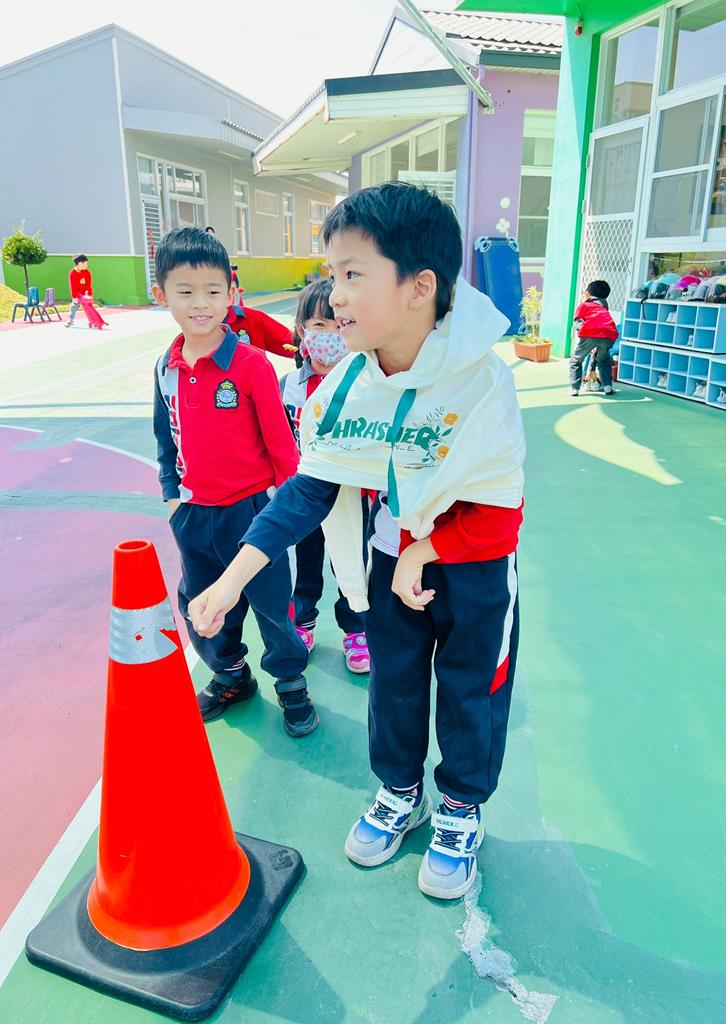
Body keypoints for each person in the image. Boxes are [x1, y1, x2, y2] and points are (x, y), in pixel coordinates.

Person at [188, 183, 525, 900]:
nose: (333, 297)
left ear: (419, 287)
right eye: (331, 274)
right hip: (388, 563)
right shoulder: (346, 387)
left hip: (474, 568)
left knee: (471, 691)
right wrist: (231, 580)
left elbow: (500, 512)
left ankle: (460, 807)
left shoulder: (482, 382)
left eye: (351, 275)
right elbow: (307, 491)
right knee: (393, 686)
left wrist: (425, 549)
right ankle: (399, 792)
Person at [151, 226, 317, 737]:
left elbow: (283, 449)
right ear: (161, 295)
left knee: (272, 606)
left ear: (231, 294)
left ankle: (290, 682)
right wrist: (173, 499)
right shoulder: (165, 368)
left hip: (253, 514)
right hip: (194, 515)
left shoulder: (250, 365)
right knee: (199, 604)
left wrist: (283, 514)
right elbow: (164, 438)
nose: (200, 304)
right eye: (185, 291)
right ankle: (230, 675)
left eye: (212, 291)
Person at [282, 279, 370, 673]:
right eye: (319, 325)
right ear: (302, 330)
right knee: (306, 563)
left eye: (338, 325)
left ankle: (357, 629)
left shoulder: (364, 383)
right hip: (304, 495)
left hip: (350, 495)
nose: (330, 335)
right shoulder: (288, 387)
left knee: (352, 564)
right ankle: (303, 622)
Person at [569, 280, 618, 396]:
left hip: (590, 333)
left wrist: (583, 336)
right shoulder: (604, 307)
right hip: (609, 334)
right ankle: (608, 387)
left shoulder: (584, 305)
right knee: (604, 360)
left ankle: (574, 389)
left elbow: (578, 322)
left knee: (576, 361)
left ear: (587, 294)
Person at [64, 254, 92, 328]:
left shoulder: (87, 272)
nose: (87, 265)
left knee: (89, 307)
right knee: (74, 306)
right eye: (85, 264)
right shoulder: (73, 273)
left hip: (85, 293)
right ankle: (70, 320)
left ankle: (93, 321)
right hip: (77, 294)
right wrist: (74, 297)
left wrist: (88, 293)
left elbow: (89, 284)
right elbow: (72, 287)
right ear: (80, 263)